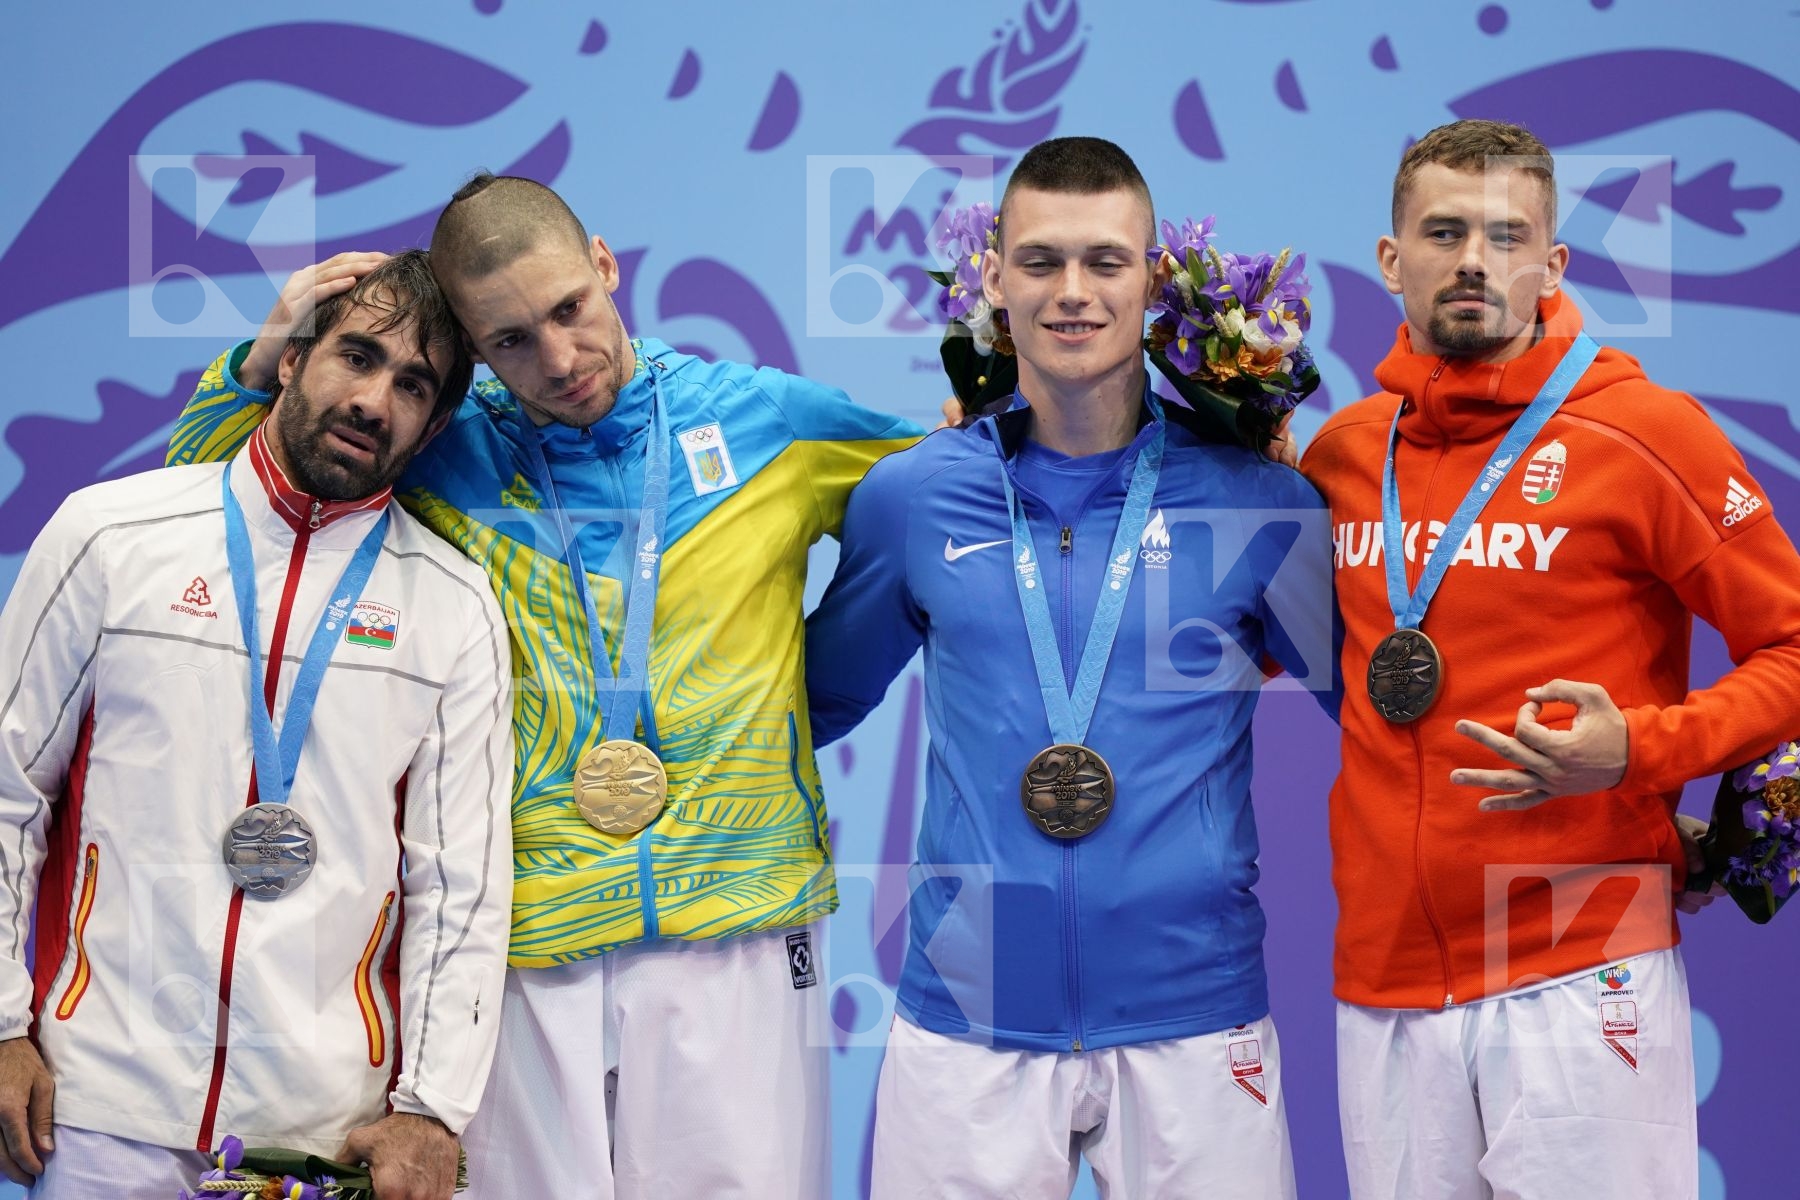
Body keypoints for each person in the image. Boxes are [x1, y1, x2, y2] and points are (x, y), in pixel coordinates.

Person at [168, 176, 922, 1197]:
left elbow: (941, 509)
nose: (560, 362)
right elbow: (227, 510)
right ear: (474, 350)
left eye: (571, 309)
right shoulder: (444, 445)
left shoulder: (763, 422)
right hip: (524, 943)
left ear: (605, 267)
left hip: (739, 925)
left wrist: (814, 689)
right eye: (512, 340)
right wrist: (258, 366)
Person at [805, 136, 1336, 1198]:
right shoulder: (915, 497)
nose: (1074, 292)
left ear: (1156, 279)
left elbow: (1383, 715)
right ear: (993, 279)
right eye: (1041, 262)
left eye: (1106, 262)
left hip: (1194, 1002)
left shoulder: (1257, 503)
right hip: (970, 1005)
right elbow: (804, 703)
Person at [1301, 118, 1800, 1199]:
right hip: (1384, 980)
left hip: (1582, 959)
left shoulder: (1645, 434)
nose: (1474, 259)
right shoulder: (1343, 456)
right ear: (1391, 262)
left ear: (1552, 265)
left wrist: (1646, 750)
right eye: (1443, 231)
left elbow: (1793, 644)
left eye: (1506, 235)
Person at [0, 251, 513, 1199]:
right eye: (356, 357)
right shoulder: (107, 537)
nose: (373, 400)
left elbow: (464, 882)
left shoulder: (454, 606)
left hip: (318, 1138)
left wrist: (432, 1107)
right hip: (101, 1103)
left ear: (434, 423)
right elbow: (6, 790)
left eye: (411, 384)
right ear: (289, 361)